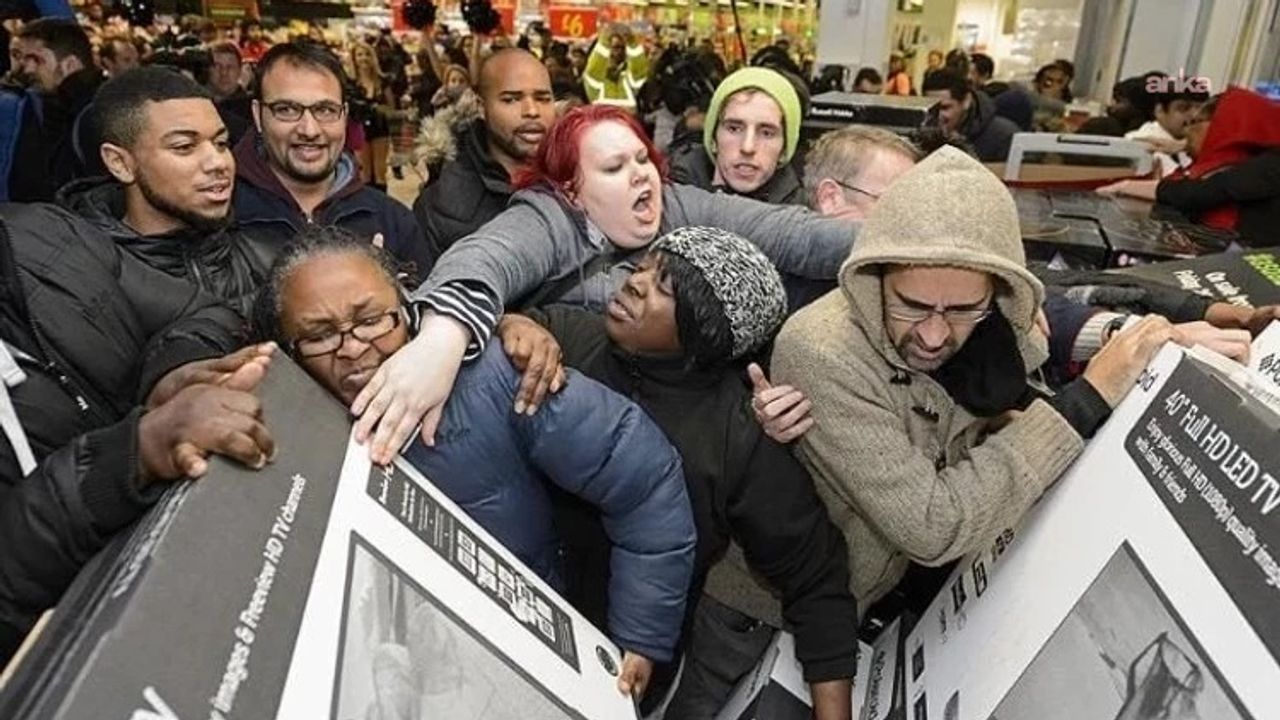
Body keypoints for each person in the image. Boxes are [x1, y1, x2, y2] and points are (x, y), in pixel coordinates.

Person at [767, 146, 1223, 613]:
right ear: (875, 276)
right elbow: (933, 526)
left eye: (964, 310)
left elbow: (1052, 311)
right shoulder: (821, 351)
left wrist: (1140, 338)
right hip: (772, 621)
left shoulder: (993, 320)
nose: (934, 334)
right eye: (912, 305)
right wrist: (1087, 398)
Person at [251, 225, 697, 700]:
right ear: (287, 349)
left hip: (528, 660)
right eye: (320, 335)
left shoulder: (501, 378)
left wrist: (641, 637)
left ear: (406, 305)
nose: (354, 347)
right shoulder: (273, 424)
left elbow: (645, 481)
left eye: (371, 320)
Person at [347, 104, 857, 466]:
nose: (641, 176)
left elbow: (795, 236)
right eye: (614, 168)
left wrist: (898, 243)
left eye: (642, 160)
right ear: (572, 189)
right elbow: (483, 259)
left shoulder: (678, 205)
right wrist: (441, 340)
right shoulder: (549, 217)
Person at [497, 227, 859, 719]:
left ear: (704, 332)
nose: (635, 284)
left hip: (617, 669)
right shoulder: (566, 335)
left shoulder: (738, 436)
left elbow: (816, 577)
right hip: (499, 612)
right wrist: (510, 324)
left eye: (665, 287)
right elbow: (480, 336)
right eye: (643, 268)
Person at [0, 202, 276, 663]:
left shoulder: (41, 232)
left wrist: (173, 372)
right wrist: (131, 454)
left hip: (180, 577)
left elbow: (203, 311)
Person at [57, 66, 274, 319]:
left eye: (221, 143)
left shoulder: (270, 259)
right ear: (120, 164)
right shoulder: (77, 284)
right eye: (184, 147)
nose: (218, 162)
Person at [231, 41, 429, 278]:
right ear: (258, 114)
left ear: (344, 116)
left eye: (325, 110)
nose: (309, 129)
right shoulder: (222, 217)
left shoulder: (392, 221)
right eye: (287, 109)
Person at [412, 49, 555, 263]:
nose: (532, 111)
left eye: (543, 98)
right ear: (480, 106)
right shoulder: (441, 204)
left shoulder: (582, 183)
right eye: (511, 99)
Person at [1100, 88, 1280, 246]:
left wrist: (1126, 187)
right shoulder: (1246, 164)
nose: (1186, 131)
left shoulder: (1251, 171)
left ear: (1222, 127)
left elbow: (1201, 192)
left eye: (1194, 123)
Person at [668, 67, 805, 205]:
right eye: (734, 129)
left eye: (766, 133)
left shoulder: (800, 212)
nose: (747, 147)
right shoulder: (676, 191)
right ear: (713, 139)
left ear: (784, 150)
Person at [3, 18, 103, 201]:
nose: (27, 69)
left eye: (37, 59)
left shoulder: (95, 116)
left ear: (70, 65)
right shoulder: (52, 109)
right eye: (22, 59)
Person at [922, 69, 1017, 162]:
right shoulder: (919, 133)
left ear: (966, 101)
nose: (937, 116)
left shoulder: (1004, 137)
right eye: (931, 109)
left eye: (945, 108)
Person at [1124, 84, 1210, 176]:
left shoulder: (1191, 145)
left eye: (1200, 109)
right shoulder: (1141, 144)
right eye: (1183, 108)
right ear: (1160, 111)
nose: (1194, 116)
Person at [583, 24, 647, 109]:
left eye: (623, 48)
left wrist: (631, 40)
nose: (619, 52)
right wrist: (606, 38)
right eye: (616, 47)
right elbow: (594, 68)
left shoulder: (628, 80)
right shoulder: (595, 82)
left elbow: (639, 69)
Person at [207, 41, 252, 145]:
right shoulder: (198, 104)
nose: (224, 73)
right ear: (208, 70)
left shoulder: (251, 108)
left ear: (240, 70)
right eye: (217, 66)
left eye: (230, 67)